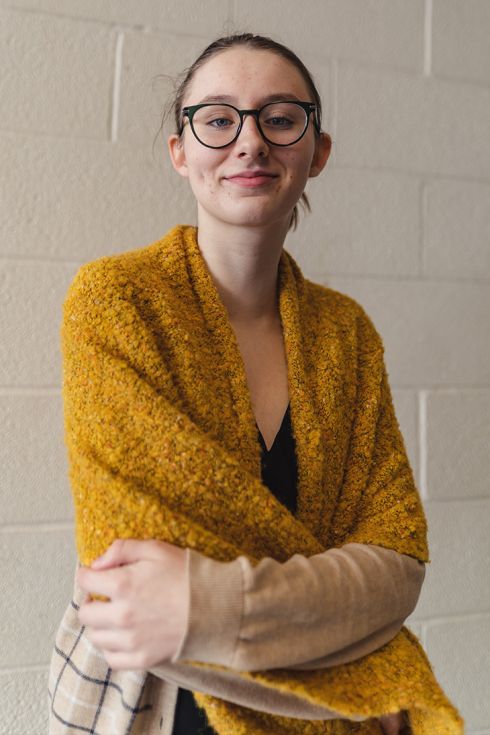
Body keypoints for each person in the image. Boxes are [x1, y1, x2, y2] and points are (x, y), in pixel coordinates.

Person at [48, 33, 421, 735]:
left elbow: (397, 563)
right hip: (159, 704)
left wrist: (205, 604)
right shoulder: (116, 302)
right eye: (218, 119)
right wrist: (339, 631)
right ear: (180, 151)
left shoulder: (347, 334)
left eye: (279, 118)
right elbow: (131, 585)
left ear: (318, 151)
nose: (250, 142)